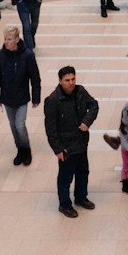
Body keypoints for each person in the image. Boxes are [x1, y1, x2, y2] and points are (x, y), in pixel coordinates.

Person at [45, 66, 99, 218]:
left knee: (83, 172)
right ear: (60, 81)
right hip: (66, 146)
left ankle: (81, 197)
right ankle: (64, 204)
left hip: (81, 142)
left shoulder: (80, 91)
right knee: (65, 177)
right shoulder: (53, 100)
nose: (71, 83)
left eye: (73, 79)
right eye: (67, 80)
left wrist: (87, 121)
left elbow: (94, 105)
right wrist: (57, 149)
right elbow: (50, 128)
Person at [0, 25, 42, 166]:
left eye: (9, 39)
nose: (6, 42)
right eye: (5, 39)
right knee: (13, 126)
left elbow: (35, 78)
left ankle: (26, 148)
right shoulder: (0, 56)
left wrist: (36, 97)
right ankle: (20, 149)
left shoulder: (27, 55)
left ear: (17, 40)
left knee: (20, 124)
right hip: (7, 97)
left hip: (21, 97)